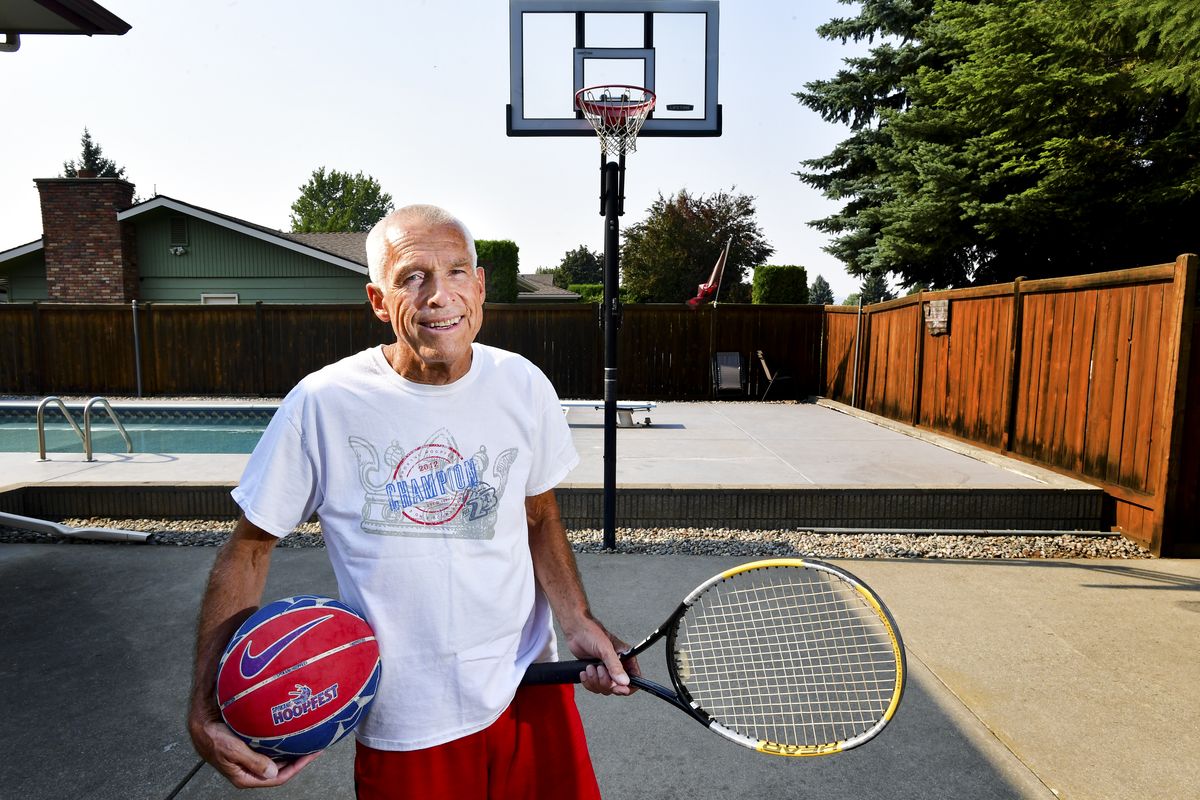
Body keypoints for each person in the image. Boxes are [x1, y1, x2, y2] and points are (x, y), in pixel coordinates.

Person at [187, 205, 636, 798]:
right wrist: (204, 708)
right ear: (379, 300)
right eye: (412, 277)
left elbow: (538, 513)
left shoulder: (523, 385)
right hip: (407, 722)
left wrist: (577, 620)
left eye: (455, 273)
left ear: (480, 287)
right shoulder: (324, 403)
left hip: (526, 687)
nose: (438, 295)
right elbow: (247, 552)